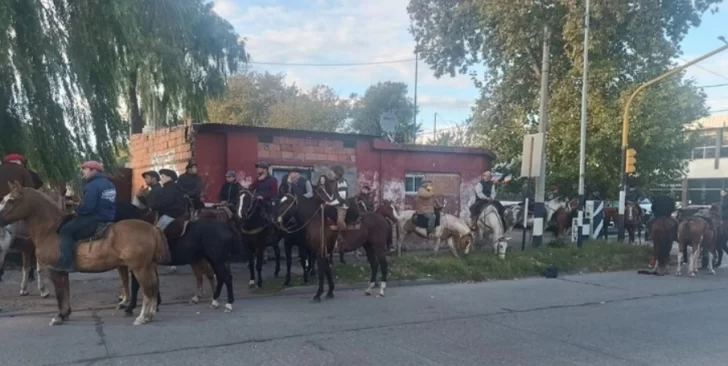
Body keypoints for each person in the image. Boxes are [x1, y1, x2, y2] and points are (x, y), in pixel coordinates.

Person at [57, 161, 116, 272]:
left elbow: (88, 208)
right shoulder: (110, 184)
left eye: (85, 169)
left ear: (94, 171)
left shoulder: (92, 186)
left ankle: (68, 264)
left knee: (65, 231)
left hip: (93, 219)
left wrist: (77, 210)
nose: (82, 171)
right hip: (108, 218)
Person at [327, 165, 349, 231]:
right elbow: (334, 195)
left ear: (337, 173)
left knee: (340, 222)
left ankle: (343, 237)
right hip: (336, 205)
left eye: (332, 172)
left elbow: (342, 197)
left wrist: (331, 203)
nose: (331, 173)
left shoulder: (341, 182)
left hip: (341, 206)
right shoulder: (335, 181)